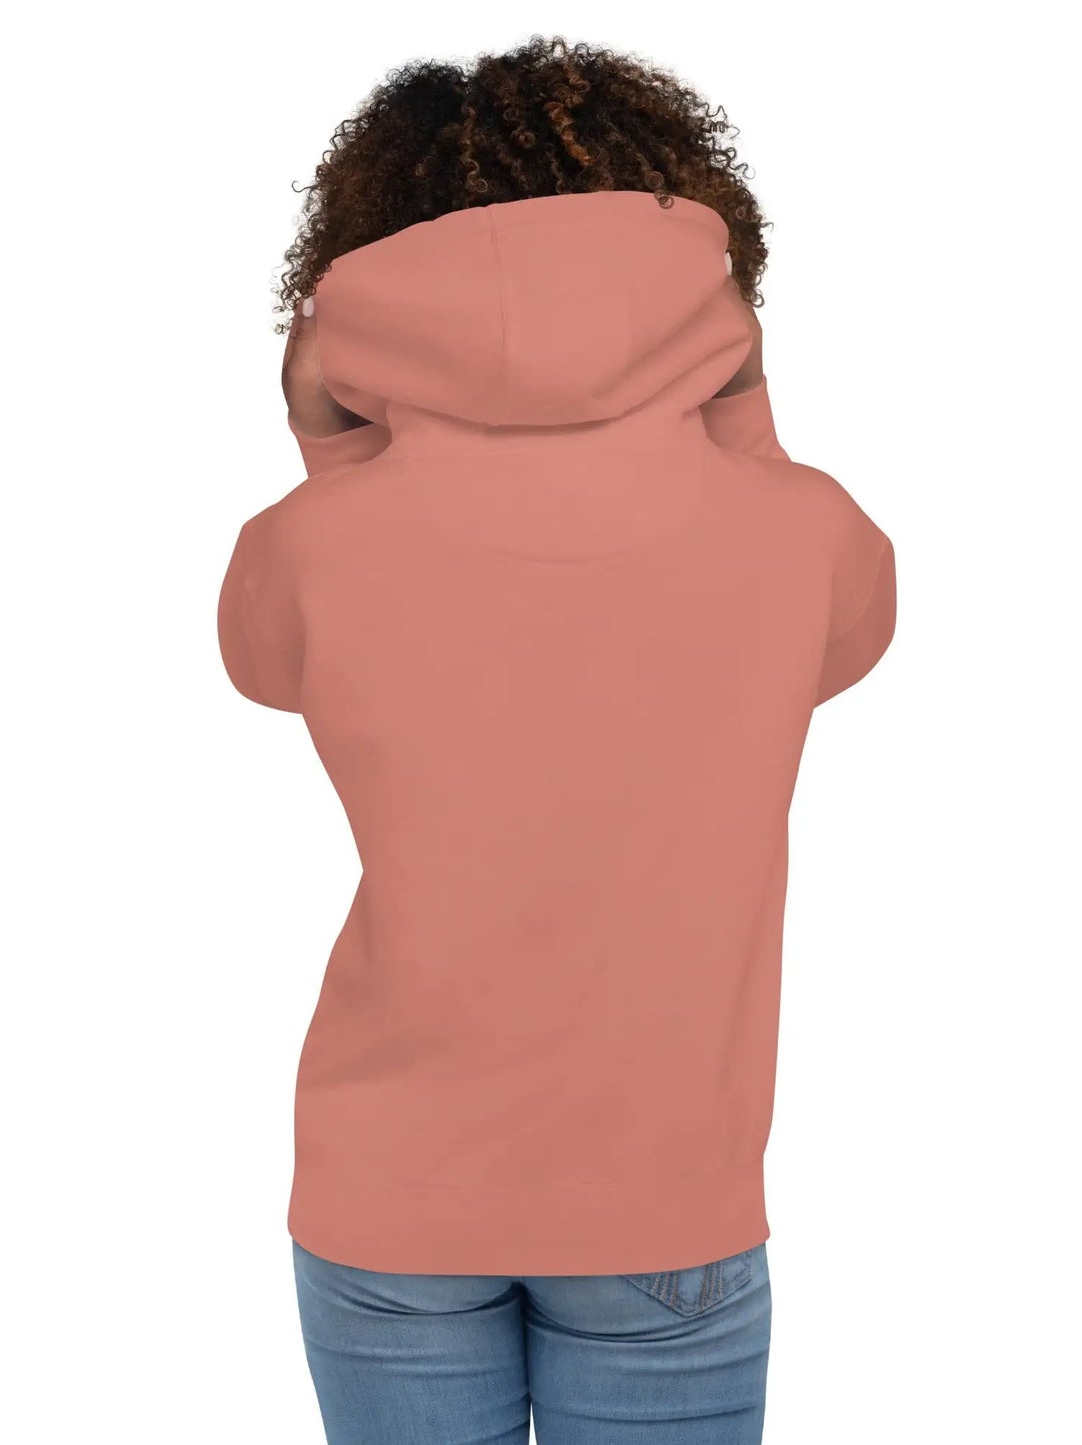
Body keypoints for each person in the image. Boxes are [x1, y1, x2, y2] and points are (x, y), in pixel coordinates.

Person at [218, 35, 895, 1445]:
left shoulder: (304, 544)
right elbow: (848, 637)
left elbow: (266, 666)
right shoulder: (799, 531)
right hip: (662, 1197)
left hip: (386, 1195)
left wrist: (334, 449)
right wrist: (742, 418)